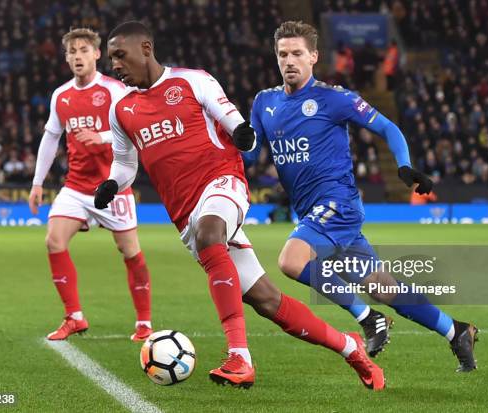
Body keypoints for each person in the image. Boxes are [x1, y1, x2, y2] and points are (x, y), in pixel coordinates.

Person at [95, 21, 385, 390]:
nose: (115, 65)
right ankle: (351, 348)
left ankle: (239, 358)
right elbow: (124, 165)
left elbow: (231, 119)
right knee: (266, 300)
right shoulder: (121, 109)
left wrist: (241, 133)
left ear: (146, 48)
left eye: (120, 55)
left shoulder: (192, 81)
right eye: (111, 58)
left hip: (222, 182)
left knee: (210, 231)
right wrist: (111, 184)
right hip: (185, 214)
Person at [244, 21, 478, 372]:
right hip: (313, 212)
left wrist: (405, 166)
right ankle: (455, 331)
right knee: (383, 287)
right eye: (282, 54)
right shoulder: (265, 103)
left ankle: (368, 319)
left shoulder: (334, 98)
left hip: (338, 205)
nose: (289, 61)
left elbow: (388, 127)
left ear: (314, 57)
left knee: (290, 261)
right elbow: (248, 156)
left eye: (296, 54)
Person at [28, 28, 153, 342]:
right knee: (54, 241)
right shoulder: (62, 95)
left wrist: (102, 137)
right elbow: (50, 137)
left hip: (113, 186)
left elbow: (136, 128)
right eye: (72, 52)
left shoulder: (114, 90)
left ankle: (144, 323)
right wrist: (37, 182)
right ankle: (74, 317)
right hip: (76, 187)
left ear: (97, 54)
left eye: (83, 50)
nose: (77, 57)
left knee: (130, 253)